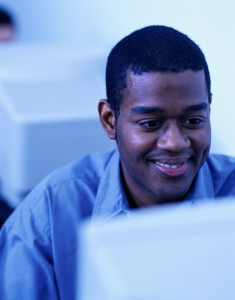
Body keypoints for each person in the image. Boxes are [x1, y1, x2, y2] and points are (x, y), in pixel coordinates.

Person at [1, 25, 235, 299]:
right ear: (110, 121)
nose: (175, 142)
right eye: (151, 123)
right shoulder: (45, 218)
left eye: (193, 121)